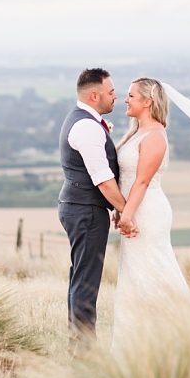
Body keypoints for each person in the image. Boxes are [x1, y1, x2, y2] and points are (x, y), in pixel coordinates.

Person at [110, 78, 189, 354]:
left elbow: (142, 181)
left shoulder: (155, 135)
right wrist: (122, 210)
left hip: (148, 211)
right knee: (133, 274)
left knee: (153, 268)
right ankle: (133, 343)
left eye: (131, 95)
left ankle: (174, 333)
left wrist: (127, 216)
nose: (125, 99)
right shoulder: (136, 132)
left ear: (148, 102)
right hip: (134, 208)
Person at [57, 68, 127, 354]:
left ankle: (79, 345)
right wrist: (126, 210)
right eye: (111, 92)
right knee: (86, 282)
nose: (115, 97)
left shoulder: (87, 122)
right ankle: (84, 352)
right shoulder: (86, 127)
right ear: (94, 95)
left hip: (81, 208)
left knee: (81, 278)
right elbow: (102, 179)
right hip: (85, 211)